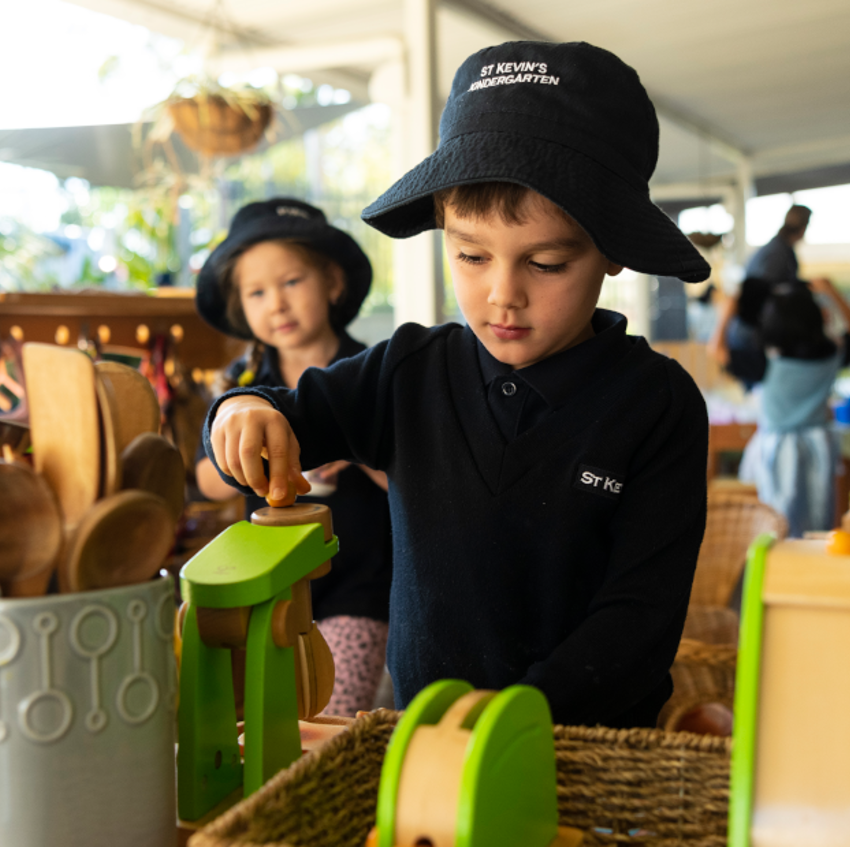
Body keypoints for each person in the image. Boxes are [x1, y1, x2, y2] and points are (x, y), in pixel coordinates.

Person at [201, 41, 711, 728]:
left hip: (593, 746)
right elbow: (286, 414)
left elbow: (640, 618)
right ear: (442, 227)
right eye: (470, 255)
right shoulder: (408, 370)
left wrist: (512, 715)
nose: (504, 295)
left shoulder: (657, 405)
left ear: (611, 247)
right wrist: (241, 410)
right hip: (429, 742)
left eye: (548, 262)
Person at [192, 198, 392, 718]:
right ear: (240, 307)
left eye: (292, 283)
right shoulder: (240, 390)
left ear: (332, 282)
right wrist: (246, 458)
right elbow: (206, 482)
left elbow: (416, 478)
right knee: (260, 721)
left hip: (359, 587)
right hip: (265, 590)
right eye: (256, 292)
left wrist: (358, 449)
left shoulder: (373, 374)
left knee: (328, 720)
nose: (276, 304)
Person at [739, 279, 850, 536]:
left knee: (778, 519)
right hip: (819, 443)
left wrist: (729, 305)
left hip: (776, 444)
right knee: (818, 518)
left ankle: (780, 570)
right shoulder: (831, 354)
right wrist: (830, 289)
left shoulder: (765, 359)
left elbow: (717, 350)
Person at [708, 205, 815, 389]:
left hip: (751, 331)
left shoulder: (776, 249)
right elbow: (765, 294)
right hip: (752, 334)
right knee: (759, 386)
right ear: (803, 228)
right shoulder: (778, 254)